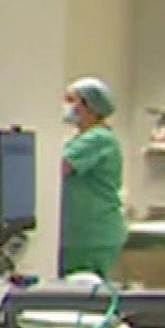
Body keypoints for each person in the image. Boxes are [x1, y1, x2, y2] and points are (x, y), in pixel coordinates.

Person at [59, 76, 127, 279]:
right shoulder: (84, 139)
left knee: (83, 296)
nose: (66, 106)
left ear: (90, 106)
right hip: (82, 234)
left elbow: (57, 169)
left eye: (72, 100)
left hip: (90, 236)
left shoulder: (98, 139)